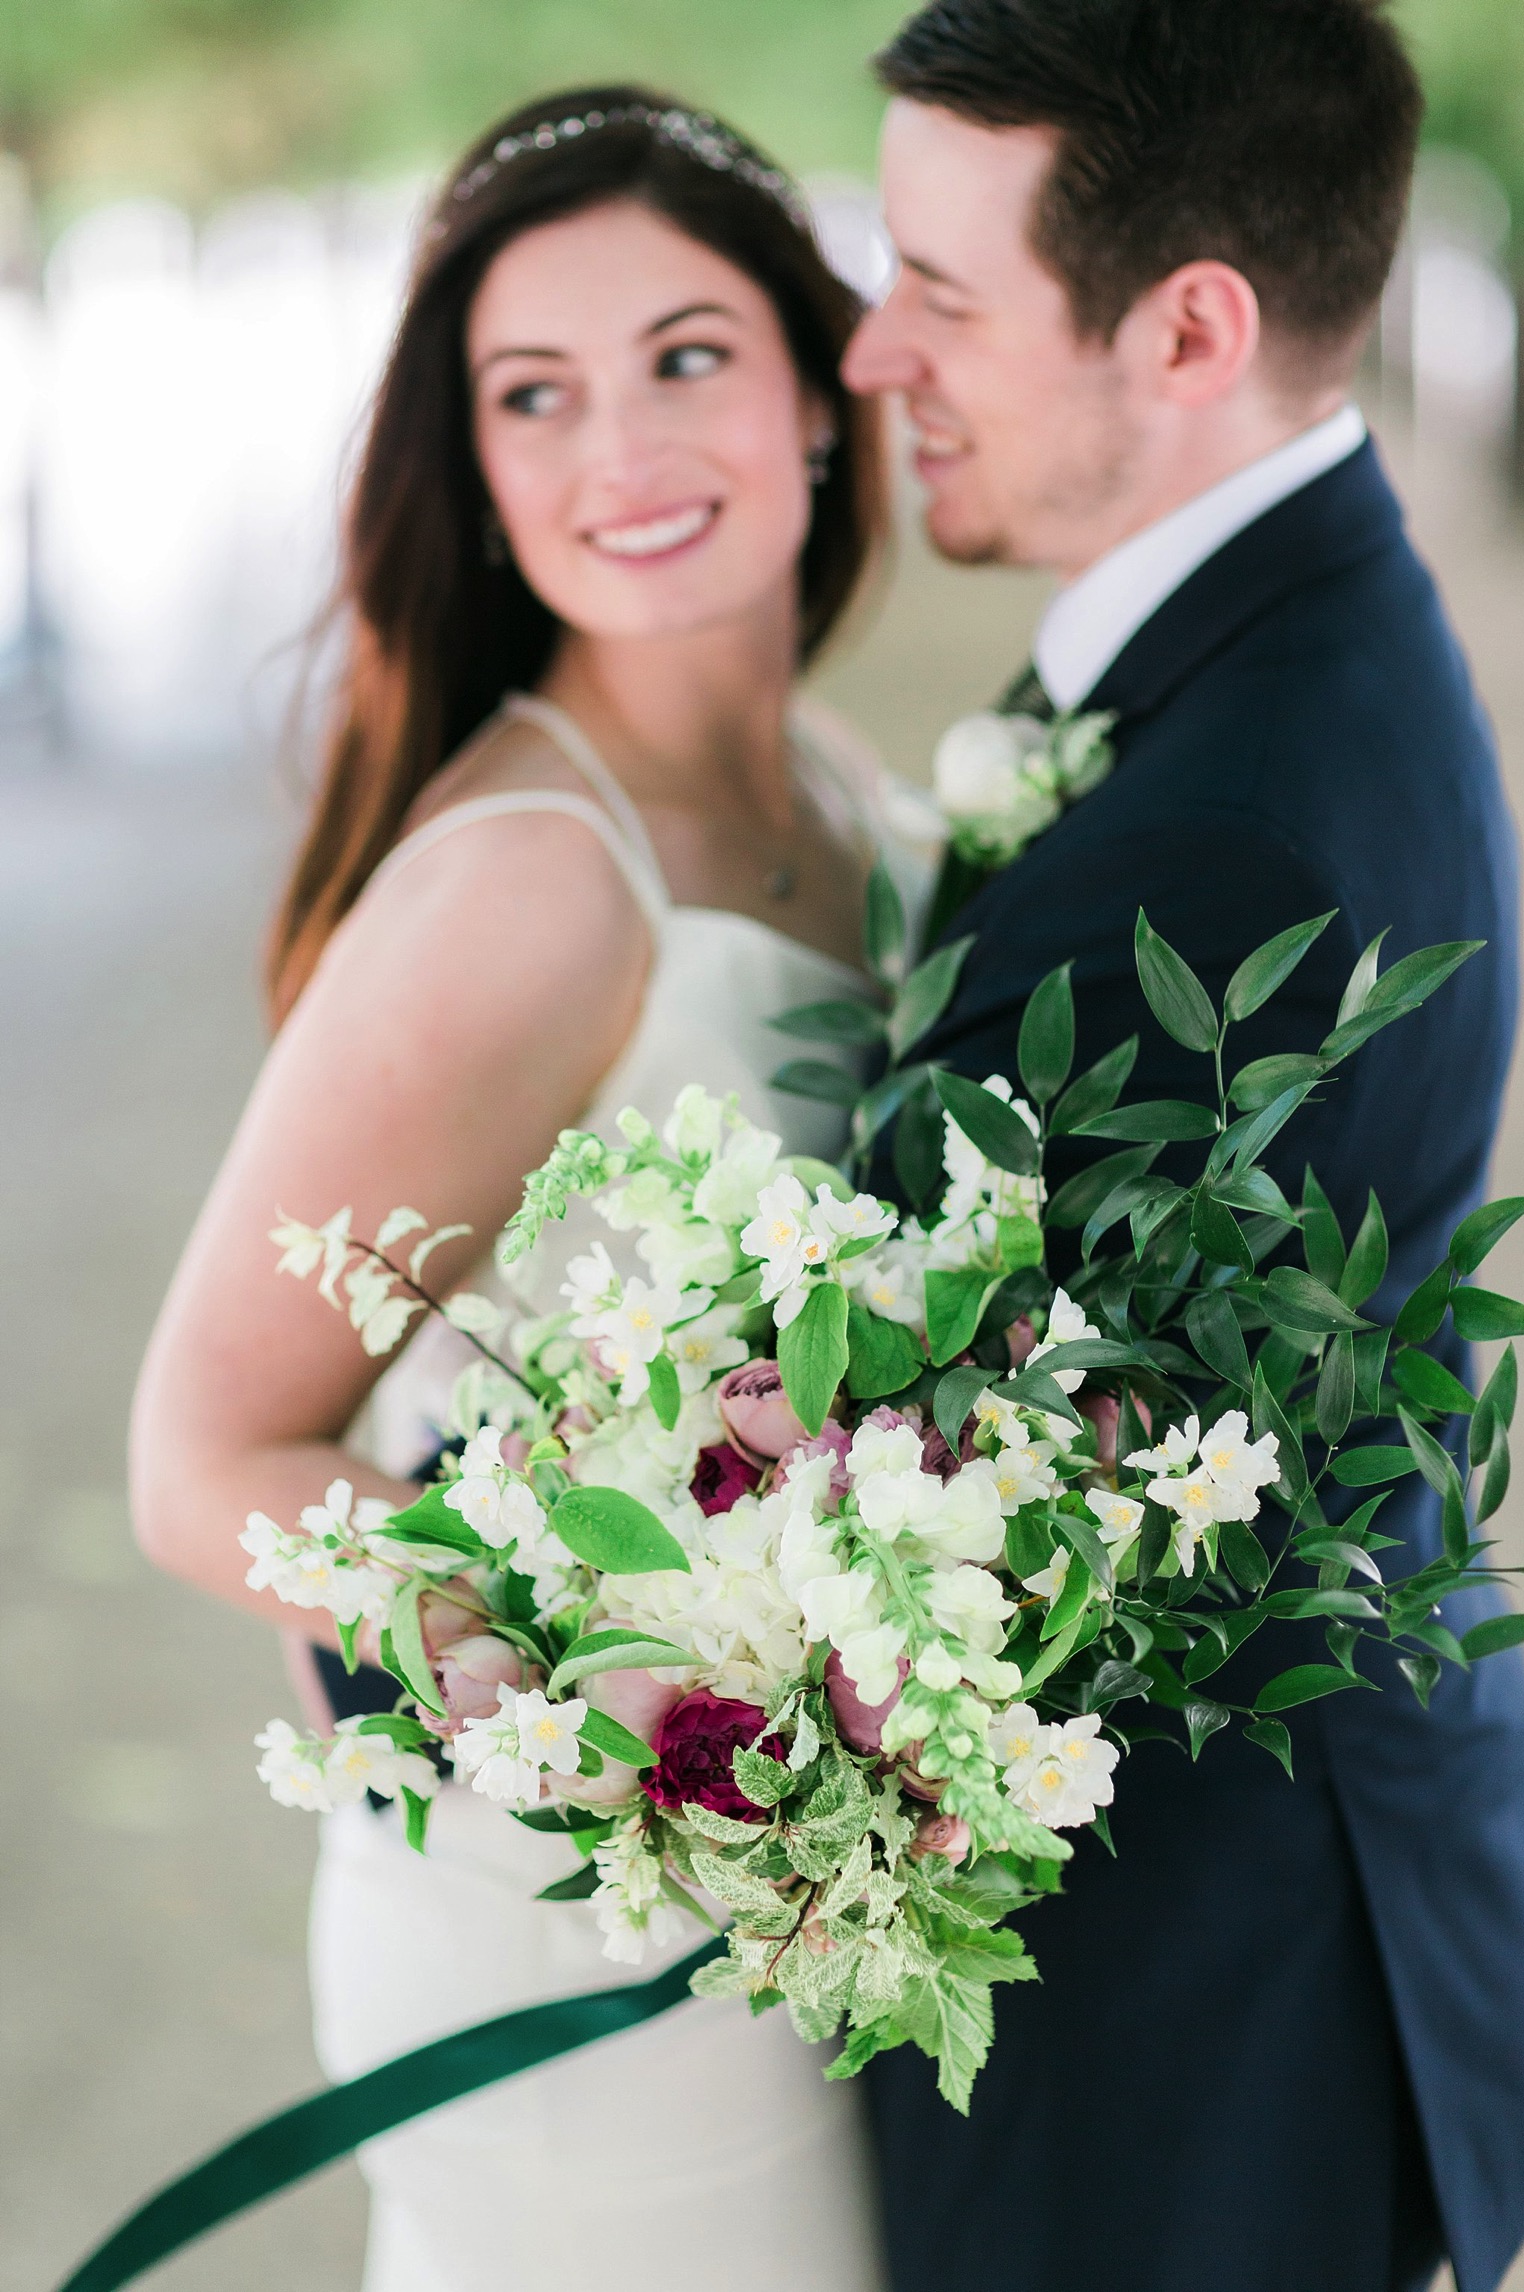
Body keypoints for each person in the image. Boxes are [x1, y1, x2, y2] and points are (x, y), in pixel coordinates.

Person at [130, 86, 918, 2292]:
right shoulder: (523, 884)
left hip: (820, 1908)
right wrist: (625, 1697)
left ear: (813, 390)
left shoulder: (853, 801)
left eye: (684, 356)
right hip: (579, 1938)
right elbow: (201, 1460)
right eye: (530, 395)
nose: (620, 453)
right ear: (470, 469)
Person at [842, 5, 1524, 2291]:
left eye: (937, 291)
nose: (870, 351)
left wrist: (455, 1636)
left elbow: (934, 1469)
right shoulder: (1255, 655)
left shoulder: (1225, 818)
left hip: (1182, 2043)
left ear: (1189, 326)